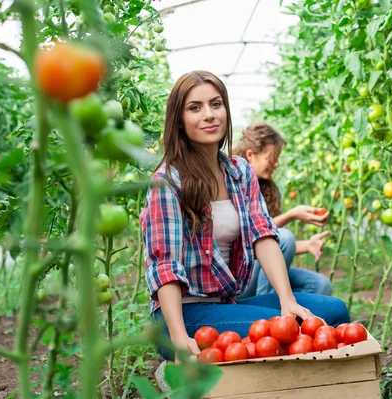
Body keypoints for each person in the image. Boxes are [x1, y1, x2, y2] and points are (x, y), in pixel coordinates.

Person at [140, 71, 350, 366]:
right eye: (195, 107)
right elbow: (166, 266)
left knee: (334, 311)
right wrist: (177, 336)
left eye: (216, 104)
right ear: (179, 120)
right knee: (287, 331)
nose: (209, 115)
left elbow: (263, 235)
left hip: (225, 304)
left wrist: (288, 299)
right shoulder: (168, 181)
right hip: (182, 316)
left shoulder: (239, 171)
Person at [233, 122, 333, 297]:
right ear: (250, 155)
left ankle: (292, 322)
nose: (277, 164)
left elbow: (271, 244)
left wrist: (307, 245)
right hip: (237, 274)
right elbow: (246, 236)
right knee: (285, 236)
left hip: (257, 267)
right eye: (272, 158)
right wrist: (292, 215)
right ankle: (267, 312)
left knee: (319, 285)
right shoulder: (230, 184)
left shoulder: (269, 190)